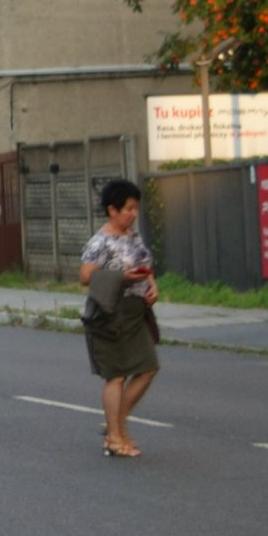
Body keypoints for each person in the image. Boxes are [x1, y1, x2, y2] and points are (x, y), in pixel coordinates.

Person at [80, 178, 160, 458]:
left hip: (137, 312)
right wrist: (122, 277)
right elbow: (85, 276)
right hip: (110, 313)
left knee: (148, 367)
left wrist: (152, 286)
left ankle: (116, 423)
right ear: (112, 210)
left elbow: (145, 266)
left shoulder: (133, 237)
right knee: (116, 376)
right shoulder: (100, 242)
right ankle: (115, 437)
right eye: (128, 208)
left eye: (136, 208)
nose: (133, 214)